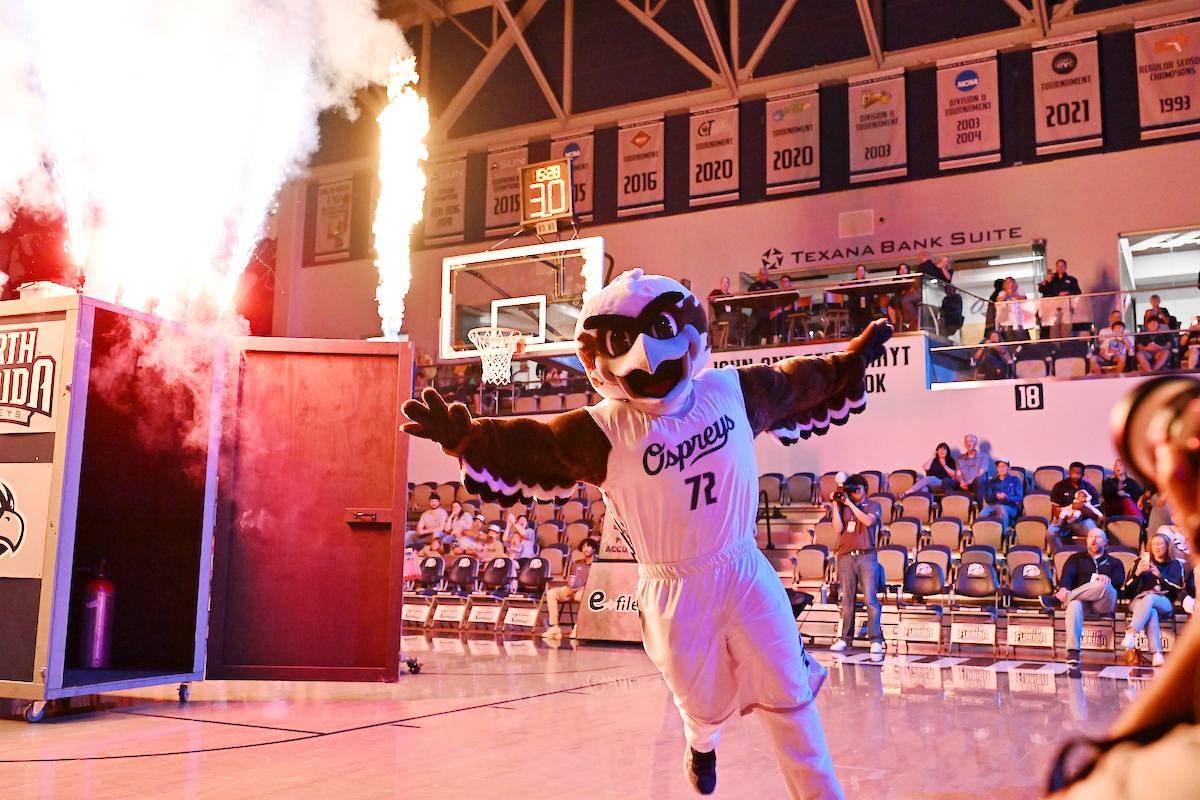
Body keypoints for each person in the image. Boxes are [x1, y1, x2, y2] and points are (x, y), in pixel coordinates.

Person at [401, 269, 890, 799]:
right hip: (673, 586)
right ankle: (701, 740)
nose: (649, 357)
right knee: (698, 700)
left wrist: (851, 360)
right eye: (620, 343)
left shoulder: (734, 391)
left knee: (790, 695)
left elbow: (801, 379)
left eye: (661, 331)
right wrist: (472, 437)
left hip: (745, 568)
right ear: (596, 360)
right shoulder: (601, 430)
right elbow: (532, 444)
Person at [1044, 528, 1124, 676]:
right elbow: (1066, 577)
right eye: (1091, 537)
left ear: (1106, 542)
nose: (1094, 540)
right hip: (1083, 602)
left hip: (1105, 602)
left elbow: (1119, 582)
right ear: (1086, 540)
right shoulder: (1076, 558)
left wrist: (1109, 580)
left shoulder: (1115, 562)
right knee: (1073, 605)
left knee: (1104, 585)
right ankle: (1073, 651)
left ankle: (1058, 600)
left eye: (1098, 537)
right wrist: (1063, 588)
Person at [826, 475, 884, 662]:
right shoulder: (843, 508)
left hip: (867, 556)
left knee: (870, 598)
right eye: (851, 490)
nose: (854, 493)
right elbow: (837, 528)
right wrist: (835, 504)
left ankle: (875, 639)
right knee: (847, 599)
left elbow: (868, 521)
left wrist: (851, 504)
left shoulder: (874, 505)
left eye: (857, 489)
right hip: (846, 557)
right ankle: (845, 638)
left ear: (865, 488)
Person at [1121, 532, 1184, 667]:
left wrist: (1159, 575)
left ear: (1167, 546)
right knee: (1151, 612)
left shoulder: (1175, 564)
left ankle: (1132, 633)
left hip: (1164, 601)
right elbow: (1127, 589)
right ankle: (1157, 654)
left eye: (1160, 544)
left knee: (1150, 599)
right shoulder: (1140, 562)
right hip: (1138, 601)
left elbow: (1178, 587)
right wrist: (1137, 574)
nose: (1157, 547)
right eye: (1154, 544)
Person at [542, 537, 599, 639]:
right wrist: (568, 588)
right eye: (583, 546)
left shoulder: (598, 564)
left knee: (584, 596)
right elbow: (572, 579)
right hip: (572, 590)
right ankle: (555, 627)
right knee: (552, 593)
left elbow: (592, 585)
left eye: (588, 546)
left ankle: (578, 627)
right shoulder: (576, 563)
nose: (585, 548)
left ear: (594, 549)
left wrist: (573, 590)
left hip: (583, 591)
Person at [1047, 488, 1105, 554]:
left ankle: (1094, 557)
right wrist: (1062, 510)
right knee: (1051, 532)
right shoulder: (1060, 486)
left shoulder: (1089, 493)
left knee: (1097, 534)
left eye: (1083, 497)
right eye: (1080, 496)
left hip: (1084, 520)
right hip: (1065, 519)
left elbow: (1095, 514)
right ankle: (1058, 555)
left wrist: (1082, 507)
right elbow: (1061, 509)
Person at [1038, 258, 1081, 341]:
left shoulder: (1071, 280)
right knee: (1054, 330)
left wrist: (1067, 293)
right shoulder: (1052, 279)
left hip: (1066, 308)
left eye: (1062, 266)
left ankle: (1066, 348)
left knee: (1066, 329)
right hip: (1053, 309)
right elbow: (1042, 291)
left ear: (1065, 267)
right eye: (1058, 266)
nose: (1060, 268)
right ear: (1056, 267)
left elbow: (1078, 292)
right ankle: (1055, 349)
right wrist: (1048, 281)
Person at [979, 459, 1023, 529]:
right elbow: (988, 499)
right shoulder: (992, 481)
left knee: (1001, 509)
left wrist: (1006, 497)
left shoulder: (1015, 479)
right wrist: (996, 497)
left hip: (1010, 506)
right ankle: (982, 534)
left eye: (1004, 466)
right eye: (999, 467)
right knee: (982, 513)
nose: (1002, 469)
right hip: (994, 505)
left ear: (1009, 468)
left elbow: (1019, 497)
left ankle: (1003, 533)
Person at [708, 276, 746, 349]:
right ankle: (730, 340)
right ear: (720, 284)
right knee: (733, 318)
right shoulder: (717, 293)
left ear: (729, 285)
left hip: (731, 314)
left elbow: (735, 308)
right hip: (721, 315)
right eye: (723, 282)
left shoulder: (730, 296)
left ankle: (743, 340)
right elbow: (710, 299)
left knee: (741, 317)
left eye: (726, 282)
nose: (725, 284)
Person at [747, 266, 779, 345]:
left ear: (768, 275)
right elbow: (748, 298)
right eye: (762, 274)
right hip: (756, 311)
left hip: (769, 310)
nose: (763, 276)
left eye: (765, 274)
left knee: (770, 317)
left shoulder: (773, 286)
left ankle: (769, 339)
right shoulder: (753, 286)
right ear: (759, 275)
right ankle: (753, 344)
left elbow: (778, 299)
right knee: (752, 322)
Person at [888, 263, 920, 332]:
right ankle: (895, 323)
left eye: (904, 268)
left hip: (908, 296)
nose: (903, 270)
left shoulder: (911, 278)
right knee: (891, 302)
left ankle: (908, 322)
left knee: (901, 301)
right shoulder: (896, 279)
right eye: (901, 269)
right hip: (898, 296)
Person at [954, 434, 987, 500]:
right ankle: (950, 505)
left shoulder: (983, 457)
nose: (968, 443)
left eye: (970, 441)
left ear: (975, 443)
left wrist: (969, 482)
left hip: (975, 483)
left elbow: (981, 473)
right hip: (963, 483)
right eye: (967, 441)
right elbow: (958, 474)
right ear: (964, 444)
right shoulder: (959, 458)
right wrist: (961, 481)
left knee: (979, 480)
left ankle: (980, 507)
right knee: (947, 482)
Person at [847, 265, 873, 336]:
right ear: (856, 272)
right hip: (855, 305)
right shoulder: (852, 283)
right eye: (859, 270)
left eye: (862, 270)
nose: (860, 272)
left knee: (866, 307)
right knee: (854, 306)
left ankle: (867, 331)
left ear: (864, 272)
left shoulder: (868, 282)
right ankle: (856, 331)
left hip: (866, 304)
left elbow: (871, 295)